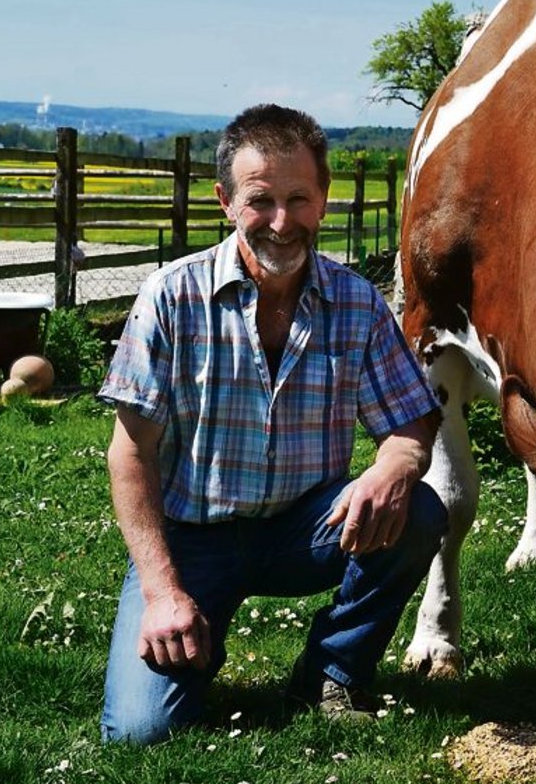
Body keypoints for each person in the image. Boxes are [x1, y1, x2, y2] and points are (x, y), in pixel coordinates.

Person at [97, 103, 446, 744]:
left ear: (323, 201)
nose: (282, 223)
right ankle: (196, 626)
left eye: (299, 199)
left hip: (306, 527)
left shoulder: (356, 302)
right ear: (225, 201)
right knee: (141, 732)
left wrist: (393, 466)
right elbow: (131, 454)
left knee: (417, 508)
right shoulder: (171, 298)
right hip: (192, 538)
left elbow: (410, 420)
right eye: (261, 201)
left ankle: (331, 671)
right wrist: (162, 591)